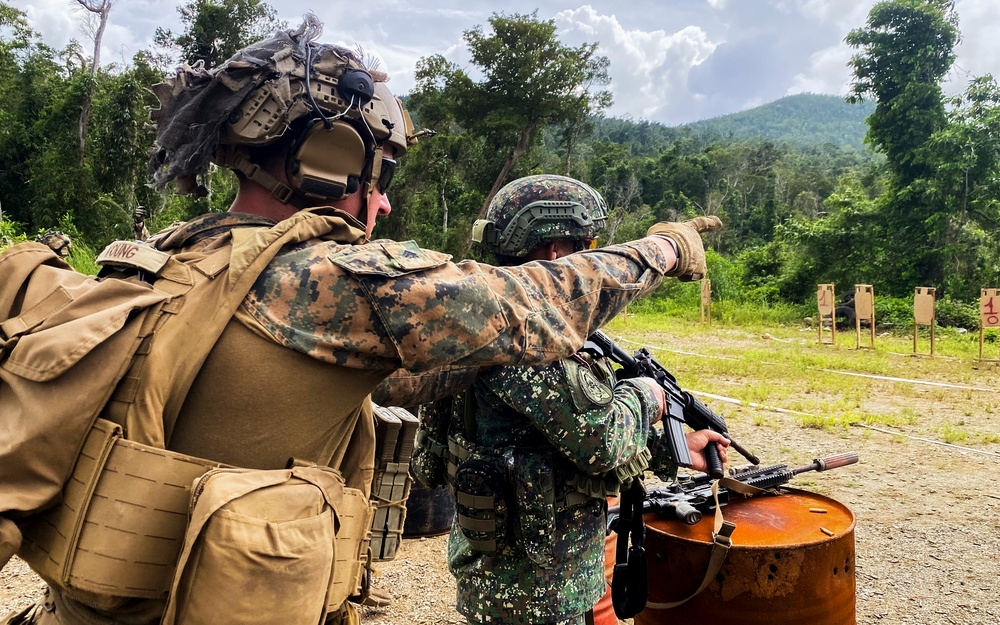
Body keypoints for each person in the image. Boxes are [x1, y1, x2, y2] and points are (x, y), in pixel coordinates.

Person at [1, 16, 720, 625]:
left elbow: (368, 380)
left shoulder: (173, 255)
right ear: (329, 160)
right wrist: (662, 247)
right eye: (377, 178)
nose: (379, 205)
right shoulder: (326, 281)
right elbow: (532, 303)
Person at [414, 174, 729, 625]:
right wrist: (646, 396)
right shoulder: (524, 343)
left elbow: (549, 448)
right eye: (589, 242)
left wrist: (670, 449)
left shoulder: (478, 321)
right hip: (533, 588)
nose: (593, 253)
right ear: (556, 251)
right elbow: (600, 441)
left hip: (513, 571)